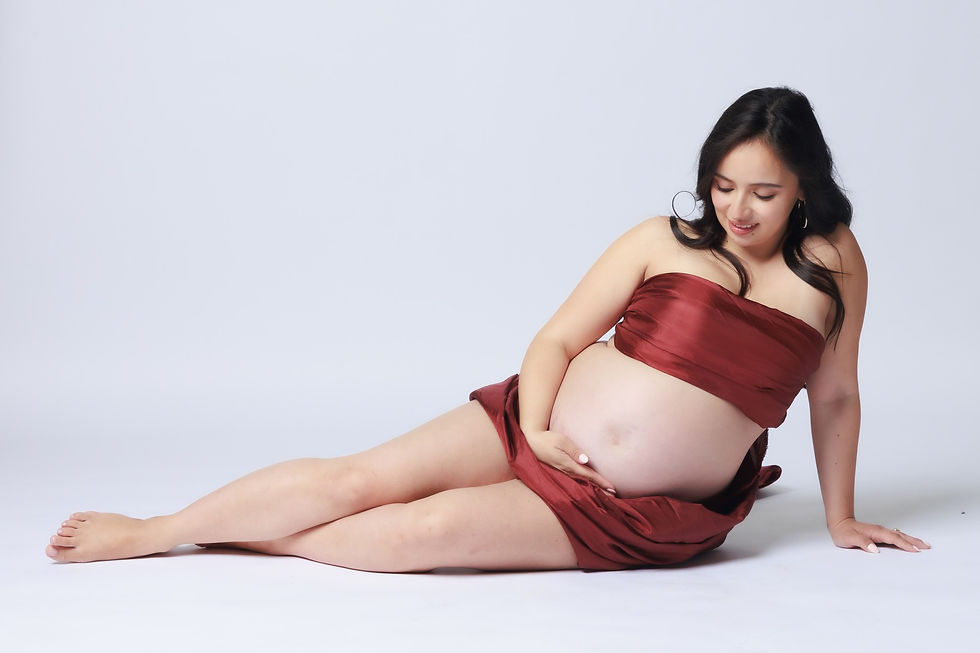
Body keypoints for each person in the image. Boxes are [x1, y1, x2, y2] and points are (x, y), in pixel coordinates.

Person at [45, 87, 929, 571]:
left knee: (414, 534)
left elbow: (838, 392)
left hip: (636, 512)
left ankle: (237, 538)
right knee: (358, 477)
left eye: (763, 193)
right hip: (531, 422)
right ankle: (158, 529)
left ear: (804, 187)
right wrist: (538, 429)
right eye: (723, 185)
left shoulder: (835, 262)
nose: (736, 208)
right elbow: (552, 342)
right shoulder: (660, 240)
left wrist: (841, 514)